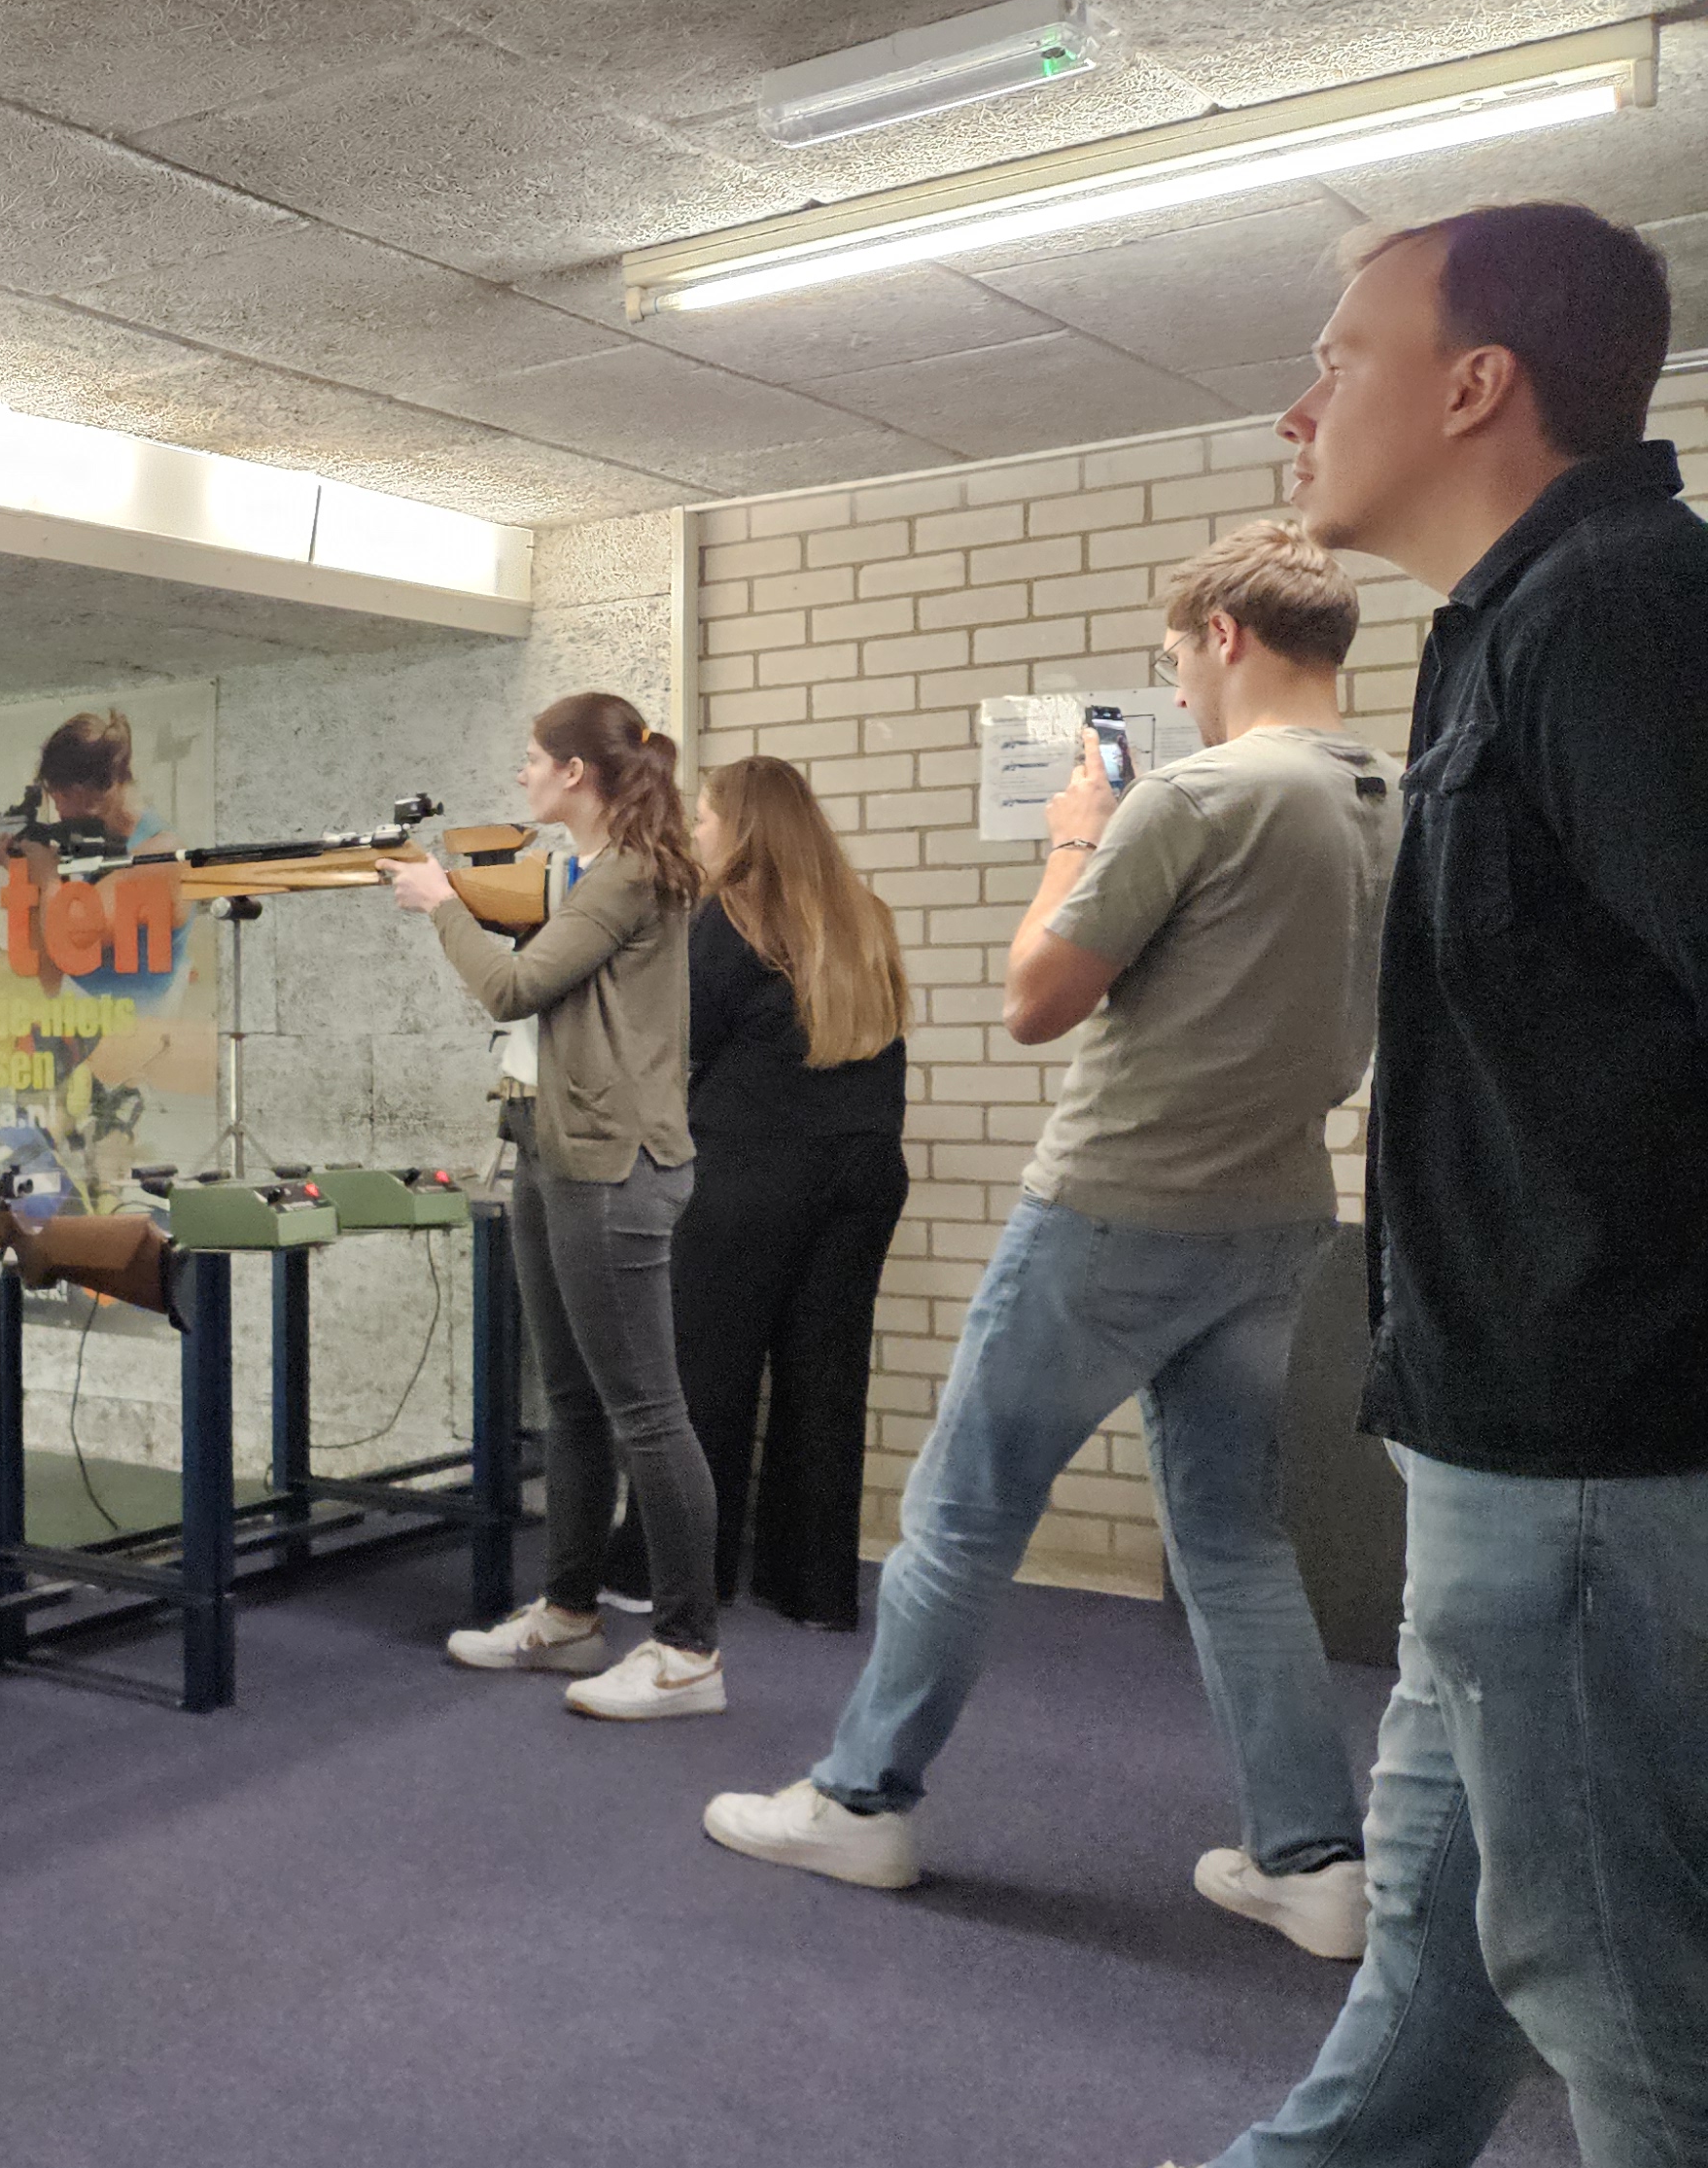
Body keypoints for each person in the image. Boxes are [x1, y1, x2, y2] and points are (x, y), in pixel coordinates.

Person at [1103, 206, 1708, 2168]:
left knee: (1614, 1962)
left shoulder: (1618, 616)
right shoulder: (1512, 626)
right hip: (1499, 1432)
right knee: (1452, 1900)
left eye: (1336, 353)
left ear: (1474, 384)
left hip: (1593, 1436)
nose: (1296, 403)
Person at [705, 521, 1391, 1957]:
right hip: (1277, 1215)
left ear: (1224, 638)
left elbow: (1035, 998)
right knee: (1235, 1539)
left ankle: (860, 1800)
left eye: (1176, 658)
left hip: (1115, 1207)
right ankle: (1314, 1860)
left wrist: (1075, 838)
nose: (1178, 689)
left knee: (961, 1512)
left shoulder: (1198, 795)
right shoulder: (1393, 794)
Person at [381, 692, 724, 1719]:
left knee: (647, 1413)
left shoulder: (626, 872)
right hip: (549, 1145)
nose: (522, 773)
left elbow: (513, 989)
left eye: (535, 758)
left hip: (608, 1163)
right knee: (572, 1402)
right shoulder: (587, 868)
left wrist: (440, 901)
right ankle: (569, 1614)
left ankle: (688, 1652)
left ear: (577, 772)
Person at [636, 756, 912, 1631]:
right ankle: (815, 1588)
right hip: (864, 1172)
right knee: (824, 1380)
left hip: (749, 1170)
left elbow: (680, 1040)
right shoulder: (863, 915)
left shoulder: (727, 916)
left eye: (705, 816)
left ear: (742, 825)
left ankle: (687, 1576)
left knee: (707, 1375)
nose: (697, 831)